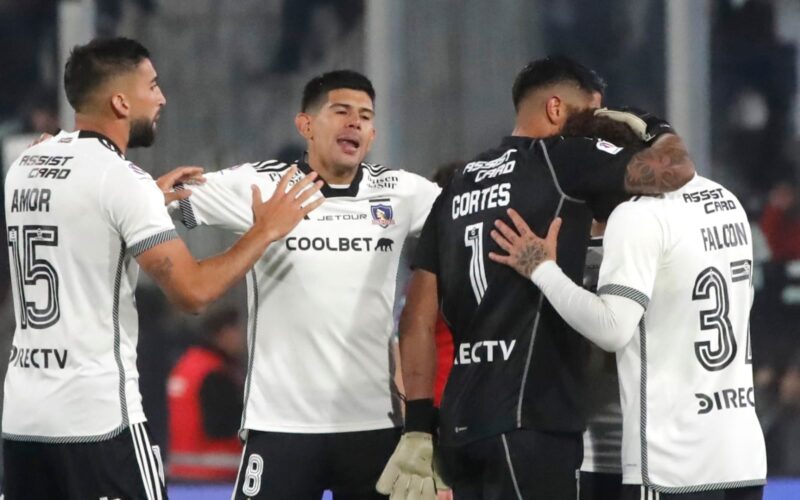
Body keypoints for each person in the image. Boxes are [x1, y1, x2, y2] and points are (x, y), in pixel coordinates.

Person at [2, 37, 322, 500]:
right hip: (97, 423)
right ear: (119, 101)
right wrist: (265, 229)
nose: (161, 97)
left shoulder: (25, 165)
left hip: (22, 423)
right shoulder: (119, 181)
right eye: (151, 86)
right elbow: (193, 294)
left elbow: (81, 223)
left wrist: (145, 203)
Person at [377, 56, 695, 500]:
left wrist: (417, 429)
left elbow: (415, 319)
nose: (595, 124)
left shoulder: (455, 186)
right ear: (555, 109)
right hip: (532, 423)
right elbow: (676, 172)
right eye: (591, 112)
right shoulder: (561, 158)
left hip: (459, 425)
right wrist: (650, 125)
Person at [175, 69, 441, 499]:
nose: (355, 122)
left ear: (372, 135)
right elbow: (157, 200)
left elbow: (470, 211)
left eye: (365, 116)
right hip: (281, 426)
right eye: (341, 111)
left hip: (373, 424)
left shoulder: (403, 193)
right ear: (306, 125)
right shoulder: (260, 186)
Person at [489, 113, 767, 498]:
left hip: (670, 462)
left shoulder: (636, 217)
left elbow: (612, 328)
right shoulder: (725, 200)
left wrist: (542, 269)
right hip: (741, 454)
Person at [167, 307, 246, 482]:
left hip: (182, 472)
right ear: (225, 333)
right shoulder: (214, 372)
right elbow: (221, 426)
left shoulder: (188, 364)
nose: (243, 339)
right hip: (216, 473)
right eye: (239, 332)